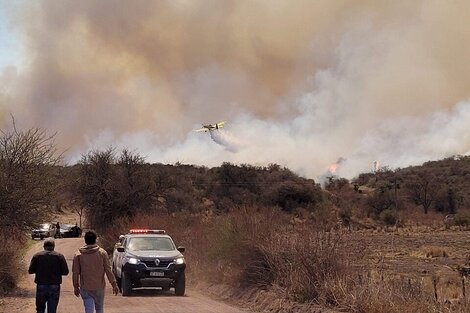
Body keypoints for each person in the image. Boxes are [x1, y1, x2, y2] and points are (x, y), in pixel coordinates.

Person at [72, 230, 119, 313]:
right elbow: (108, 270)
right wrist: (114, 284)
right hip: (99, 287)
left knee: (88, 309)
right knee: (99, 309)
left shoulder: (78, 254)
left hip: (85, 287)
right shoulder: (102, 253)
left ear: (85, 240)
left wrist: (76, 286)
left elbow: (75, 272)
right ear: (95, 239)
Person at [28, 238, 69, 313]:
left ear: (44, 246)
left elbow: (30, 271)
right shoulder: (59, 256)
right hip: (54, 285)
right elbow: (65, 272)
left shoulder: (37, 256)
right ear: (53, 247)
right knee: (52, 310)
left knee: (40, 309)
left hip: (41, 285)